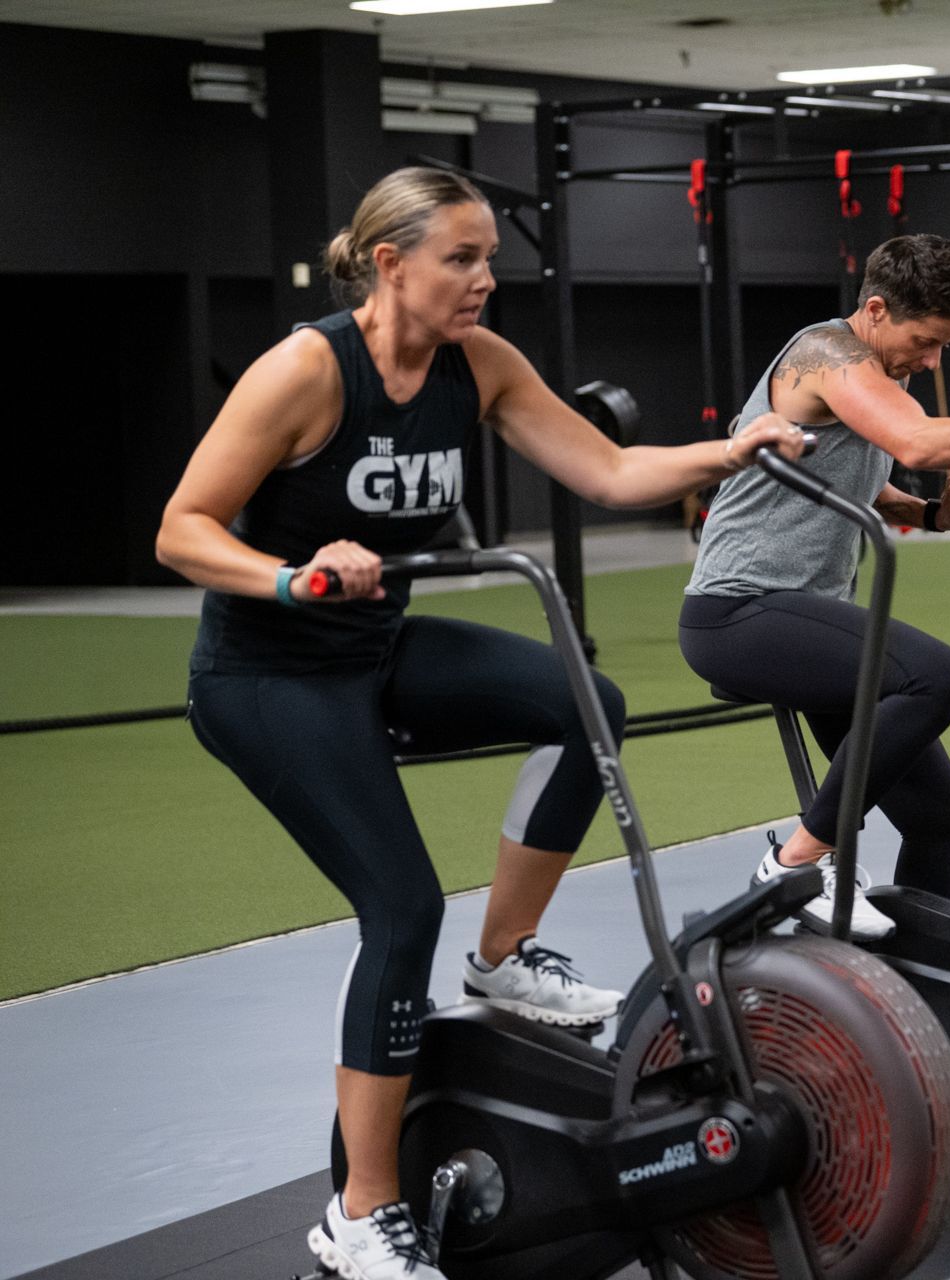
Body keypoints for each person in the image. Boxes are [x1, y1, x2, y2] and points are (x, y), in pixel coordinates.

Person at [154, 166, 807, 1280]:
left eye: (489, 258)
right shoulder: (308, 370)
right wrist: (291, 573)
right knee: (400, 907)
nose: (483, 280)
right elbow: (181, 529)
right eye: (461, 258)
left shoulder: (481, 365)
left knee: (585, 701)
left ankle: (502, 958)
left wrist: (726, 450)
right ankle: (360, 1208)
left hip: (376, 650)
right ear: (388, 262)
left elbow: (603, 468)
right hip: (268, 671)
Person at [679, 233, 950, 940]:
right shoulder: (827, 356)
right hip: (737, 613)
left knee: (938, 812)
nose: (934, 359)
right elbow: (916, 445)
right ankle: (795, 863)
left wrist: (928, 513)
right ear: (876, 309)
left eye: (947, 344)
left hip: (803, 617)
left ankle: (921, 969)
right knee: (935, 676)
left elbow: (855, 474)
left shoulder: (878, 371)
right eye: (928, 340)